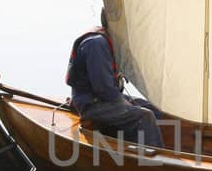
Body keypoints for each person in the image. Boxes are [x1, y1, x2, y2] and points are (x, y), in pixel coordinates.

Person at [67, 11, 161, 148]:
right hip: (91, 104)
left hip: (104, 100)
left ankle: (132, 143)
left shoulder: (109, 39)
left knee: (156, 110)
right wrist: (124, 103)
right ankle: (153, 160)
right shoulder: (96, 45)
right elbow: (103, 88)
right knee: (145, 116)